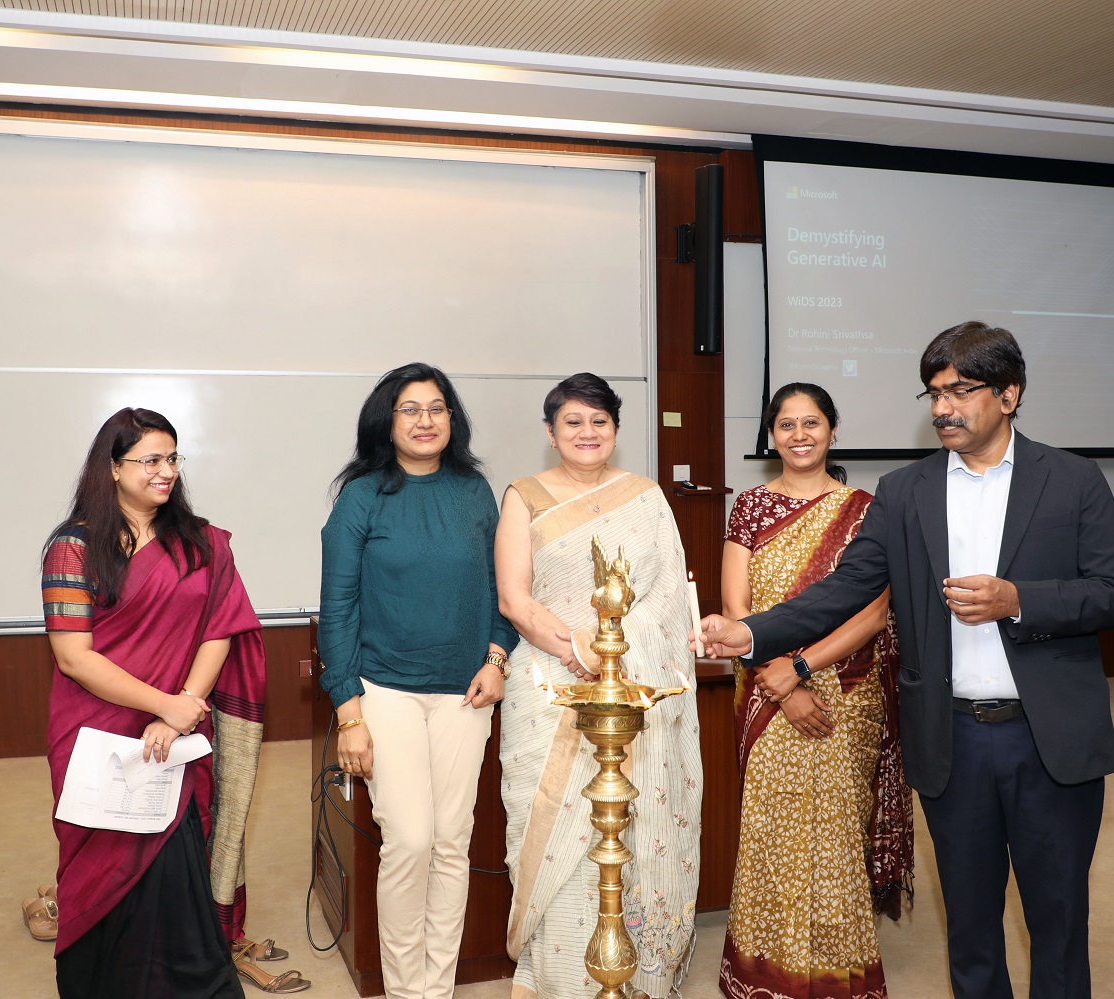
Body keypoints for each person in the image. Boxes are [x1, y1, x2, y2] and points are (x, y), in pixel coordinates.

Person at [696, 323, 1114, 999]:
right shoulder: (905, 490)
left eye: (960, 390)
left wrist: (1019, 598)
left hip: (1050, 739)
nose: (942, 407)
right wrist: (750, 632)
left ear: (1008, 394)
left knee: (1058, 923)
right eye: (934, 392)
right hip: (952, 740)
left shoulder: (1073, 479)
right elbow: (846, 590)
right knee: (970, 930)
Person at [42, 408, 298, 997]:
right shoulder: (73, 548)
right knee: (101, 862)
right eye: (149, 460)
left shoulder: (201, 542)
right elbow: (75, 657)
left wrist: (181, 707)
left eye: (172, 459)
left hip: (174, 731)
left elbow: (221, 627)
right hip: (97, 730)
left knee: (175, 862)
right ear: (111, 468)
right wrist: (165, 703)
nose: (165, 472)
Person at [495, 372, 701, 999]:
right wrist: (579, 651)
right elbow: (514, 598)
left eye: (599, 422)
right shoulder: (523, 496)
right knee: (554, 828)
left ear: (615, 429)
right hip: (549, 684)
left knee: (636, 829)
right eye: (573, 422)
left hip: (636, 690)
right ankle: (559, 980)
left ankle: (636, 980)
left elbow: (667, 597)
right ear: (551, 432)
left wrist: (610, 657)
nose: (587, 433)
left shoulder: (646, 496)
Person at [318, 362, 518, 999]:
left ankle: (440, 985)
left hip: (466, 692)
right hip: (385, 691)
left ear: (451, 419)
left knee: (451, 845)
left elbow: (499, 588)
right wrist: (349, 712)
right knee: (409, 840)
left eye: (437, 408)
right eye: (410, 409)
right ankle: (409, 991)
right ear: (388, 419)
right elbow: (339, 605)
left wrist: (497, 658)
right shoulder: (361, 496)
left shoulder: (474, 491)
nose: (425, 420)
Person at [717, 382, 913, 998]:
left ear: (832, 430)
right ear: (770, 435)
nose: (799, 436)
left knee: (833, 834)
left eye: (811, 424)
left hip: (846, 687)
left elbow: (876, 611)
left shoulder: (865, 508)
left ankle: (837, 974)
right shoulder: (750, 505)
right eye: (786, 426)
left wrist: (802, 669)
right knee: (772, 828)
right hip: (766, 685)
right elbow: (736, 607)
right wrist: (779, 681)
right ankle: (762, 971)